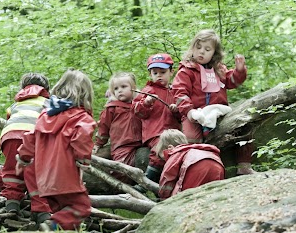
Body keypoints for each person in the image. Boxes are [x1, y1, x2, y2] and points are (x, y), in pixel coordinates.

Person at [16, 69, 97, 231]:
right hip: (65, 176)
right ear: (85, 95)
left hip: (44, 178)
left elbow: (30, 137)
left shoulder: (46, 115)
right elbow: (82, 138)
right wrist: (83, 161)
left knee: (61, 209)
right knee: (81, 207)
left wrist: (22, 159)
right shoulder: (82, 118)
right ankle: (51, 226)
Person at [172, 29, 255, 175]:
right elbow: (180, 93)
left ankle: (244, 166)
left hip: (219, 111)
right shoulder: (186, 70)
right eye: (198, 48)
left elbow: (231, 81)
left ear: (214, 53)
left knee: (244, 125)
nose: (201, 52)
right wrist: (189, 111)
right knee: (191, 138)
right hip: (196, 113)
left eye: (207, 49)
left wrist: (239, 71)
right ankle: (191, 171)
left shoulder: (219, 69)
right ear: (192, 48)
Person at [0, 73, 52, 226]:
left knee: (11, 171)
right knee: (37, 173)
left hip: (9, 135)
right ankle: (41, 210)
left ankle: (12, 204)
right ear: (45, 89)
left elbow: (9, 119)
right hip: (32, 136)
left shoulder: (15, 105)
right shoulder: (47, 102)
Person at [132, 53, 181, 183]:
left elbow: (182, 115)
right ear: (150, 74)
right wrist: (146, 103)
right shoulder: (148, 90)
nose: (159, 75)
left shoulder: (175, 91)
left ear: (171, 72)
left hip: (173, 132)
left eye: (163, 72)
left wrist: (176, 110)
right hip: (155, 133)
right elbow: (136, 111)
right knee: (160, 149)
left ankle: (171, 184)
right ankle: (146, 182)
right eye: (155, 73)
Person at [93, 72, 144, 184]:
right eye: (116, 88)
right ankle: (120, 190)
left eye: (124, 87)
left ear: (133, 88)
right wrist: (98, 143)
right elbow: (103, 127)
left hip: (142, 141)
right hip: (122, 144)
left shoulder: (140, 104)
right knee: (122, 168)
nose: (119, 90)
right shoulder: (112, 108)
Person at [154, 129, 225, 200]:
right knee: (211, 196)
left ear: (170, 148)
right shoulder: (194, 150)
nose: (165, 161)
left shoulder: (175, 153)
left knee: (183, 198)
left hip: (196, 166)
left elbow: (167, 179)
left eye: (164, 157)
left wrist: (164, 198)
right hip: (217, 164)